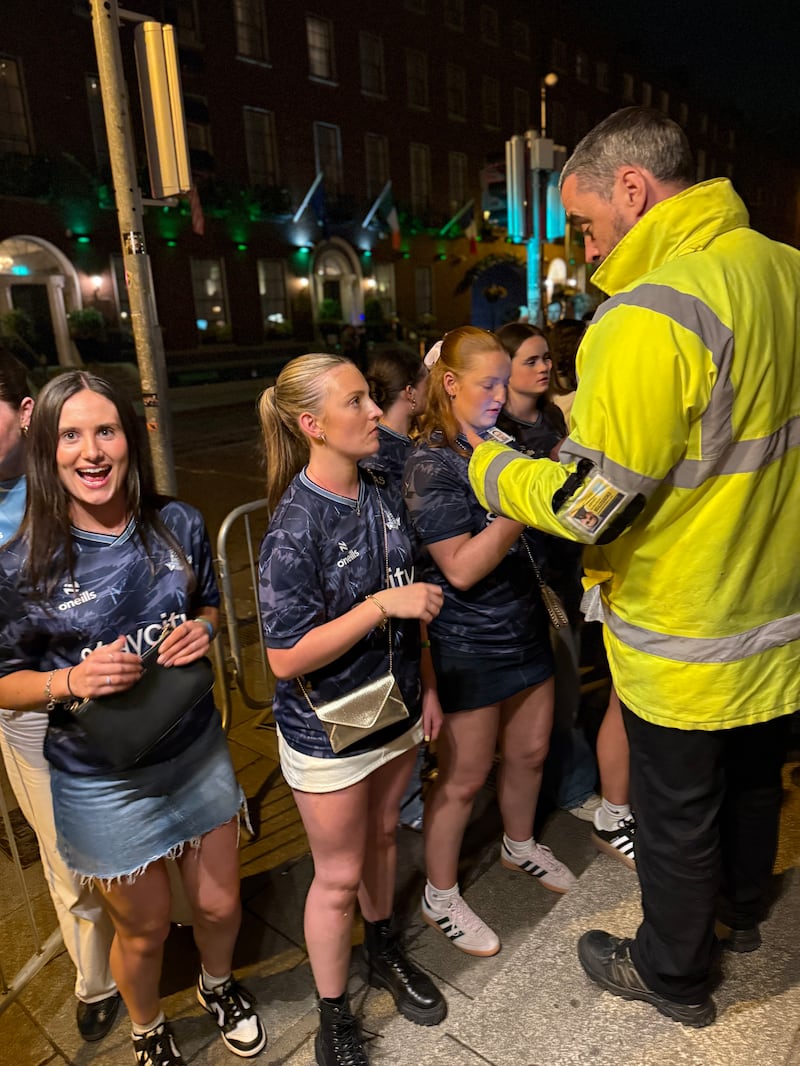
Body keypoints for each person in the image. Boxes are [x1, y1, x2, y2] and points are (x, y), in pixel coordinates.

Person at [467, 107, 800, 1027]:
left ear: (631, 187)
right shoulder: (785, 268)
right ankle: (742, 910)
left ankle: (673, 973)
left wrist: (492, 469)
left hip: (688, 618)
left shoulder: (648, 312)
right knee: (754, 777)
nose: (586, 245)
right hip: (777, 607)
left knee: (676, 808)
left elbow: (593, 506)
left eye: (584, 222)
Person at [0, 371, 266, 1065]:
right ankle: (147, 1027)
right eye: (70, 435)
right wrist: (68, 680)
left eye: (105, 431)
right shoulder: (20, 562)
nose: (91, 451)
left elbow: (209, 602)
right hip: (104, 780)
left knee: (219, 906)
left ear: (130, 439)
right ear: (46, 448)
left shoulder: (179, 523)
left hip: (195, 751)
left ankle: (217, 984)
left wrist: (206, 628)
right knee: (143, 932)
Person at [257, 354, 446, 1066]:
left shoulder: (381, 486)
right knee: (337, 877)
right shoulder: (293, 528)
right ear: (312, 425)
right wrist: (379, 607)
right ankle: (334, 1015)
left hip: (396, 706)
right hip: (329, 729)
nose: (375, 412)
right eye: (357, 401)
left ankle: (384, 949)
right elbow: (285, 657)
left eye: (371, 396)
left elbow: (411, 595)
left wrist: (428, 685)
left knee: (386, 838)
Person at [403, 326, 576, 961]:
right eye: (488, 384)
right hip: (467, 642)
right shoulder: (430, 462)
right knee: (463, 776)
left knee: (530, 751)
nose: (501, 395)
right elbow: (461, 568)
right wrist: (522, 505)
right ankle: (440, 893)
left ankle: (519, 843)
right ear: (449, 384)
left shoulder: (500, 441)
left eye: (505, 382)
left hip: (524, 625)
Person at [0, 350, 120, 1042]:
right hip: (32, 708)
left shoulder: (75, 475)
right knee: (67, 856)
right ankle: (96, 978)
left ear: (24, 413)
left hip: (115, 697)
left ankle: (170, 942)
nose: (90, 448)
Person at [494, 322, 600, 823]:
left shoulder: (553, 414)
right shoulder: (495, 430)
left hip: (565, 570)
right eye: (530, 360)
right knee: (541, 692)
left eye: (546, 358)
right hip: (522, 579)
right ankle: (565, 788)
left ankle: (566, 783)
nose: (544, 368)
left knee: (565, 684)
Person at [363, 348, 431, 830]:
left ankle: (400, 802)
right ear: (409, 392)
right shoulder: (393, 456)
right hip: (403, 596)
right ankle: (404, 805)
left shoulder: (395, 448)